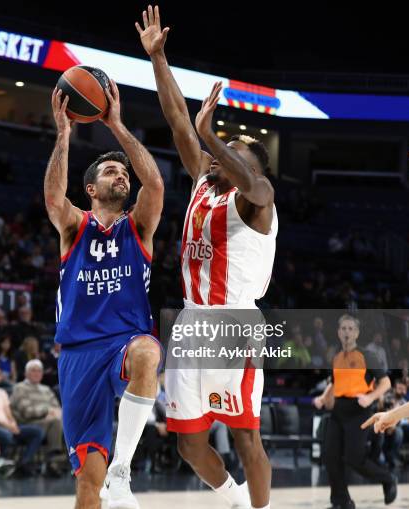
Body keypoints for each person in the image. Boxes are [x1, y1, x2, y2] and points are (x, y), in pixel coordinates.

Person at [139, 6, 275, 509]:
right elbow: (178, 119)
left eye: (234, 152)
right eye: (220, 150)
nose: (220, 155)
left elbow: (252, 181)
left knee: (245, 438)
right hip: (193, 321)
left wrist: (214, 135)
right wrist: (159, 58)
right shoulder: (204, 179)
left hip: (234, 323)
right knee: (189, 443)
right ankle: (236, 501)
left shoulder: (258, 201)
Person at [46, 70, 164, 507]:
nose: (122, 176)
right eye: (112, 171)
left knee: (148, 354)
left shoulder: (139, 227)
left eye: (123, 172)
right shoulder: (76, 225)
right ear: (91, 188)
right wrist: (64, 134)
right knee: (86, 488)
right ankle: (105, 477)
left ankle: (123, 470)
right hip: (77, 354)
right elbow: (54, 200)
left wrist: (115, 124)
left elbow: (154, 183)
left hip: (123, 340)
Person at [313, 314, 396, 508]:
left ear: (357, 333)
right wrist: (323, 398)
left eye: (351, 329)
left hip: (359, 410)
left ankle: (388, 478)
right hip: (338, 411)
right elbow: (334, 383)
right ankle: (342, 501)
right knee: (330, 456)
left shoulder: (367, 355)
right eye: (343, 328)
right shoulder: (336, 357)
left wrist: (370, 398)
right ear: (338, 332)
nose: (347, 332)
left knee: (354, 458)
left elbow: (386, 383)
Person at [0, 365, 44, 476]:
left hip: (6, 426)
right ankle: (0, 465)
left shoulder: (2, 393)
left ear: (1, 377)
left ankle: (23, 463)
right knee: (6, 435)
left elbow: (8, 413)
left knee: (37, 431)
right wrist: (5, 424)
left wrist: (13, 424)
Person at [11, 359, 65, 476]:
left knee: (60, 422)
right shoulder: (20, 388)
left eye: (39, 371)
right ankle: (53, 460)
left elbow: (57, 409)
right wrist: (46, 411)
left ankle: (55, 461)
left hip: (48, 423)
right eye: (33, 371)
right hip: (27, 424)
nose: (37, 373)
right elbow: (27, 412)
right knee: (55, 422)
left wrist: (53, 413)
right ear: (26, 373)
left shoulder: (46, 390)